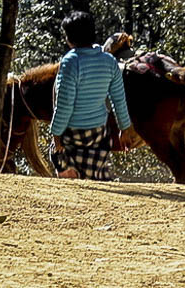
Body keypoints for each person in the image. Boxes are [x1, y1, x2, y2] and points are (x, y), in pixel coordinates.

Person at [49, 11, 140, 180]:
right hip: (99, 134)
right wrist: (124, 129)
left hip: (73, 135)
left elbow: (64, 105)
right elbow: (118, 99)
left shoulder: (70, 62)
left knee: (63, 167)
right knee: (94, 177)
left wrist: (56, 137)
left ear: (70, 38)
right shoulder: (109, 61)